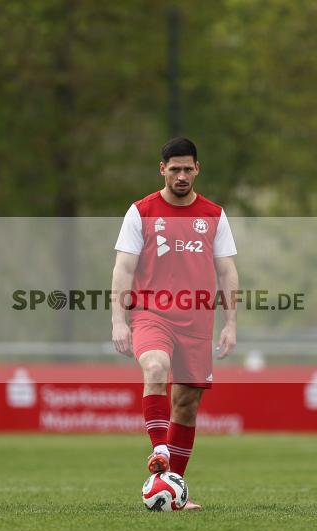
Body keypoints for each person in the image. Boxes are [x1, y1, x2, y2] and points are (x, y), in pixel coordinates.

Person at [112, 137, 238, 511]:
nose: (181, 175)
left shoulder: (214, 215)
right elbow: (123, 267)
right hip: (151, 312)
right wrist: (119, 319)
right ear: (162, 169)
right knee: (155, 366)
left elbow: (228, 270)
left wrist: (230, 323)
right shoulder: (141, 211)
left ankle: (175, 489)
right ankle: (160, 453)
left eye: (188, 168)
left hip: (198, 321)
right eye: (174, 168)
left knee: (186, 404)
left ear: (197, 169)